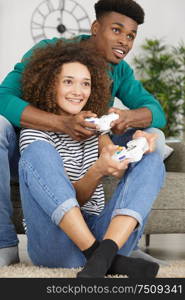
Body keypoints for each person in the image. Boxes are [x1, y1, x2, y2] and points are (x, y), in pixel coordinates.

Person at [0, 0, 166, 268]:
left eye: (131, 36)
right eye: (116, 30)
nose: (124, 41)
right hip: (34, 161)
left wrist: (130, 130)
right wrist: (63, 125)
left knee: (152, 145)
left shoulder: (114, 81)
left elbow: (156, 112)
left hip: (94, 217)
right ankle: (100, 257)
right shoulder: (35, 137)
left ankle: (112, 250)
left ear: (95, 89)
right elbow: (2, 98)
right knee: (23, 142)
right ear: (95, 28)